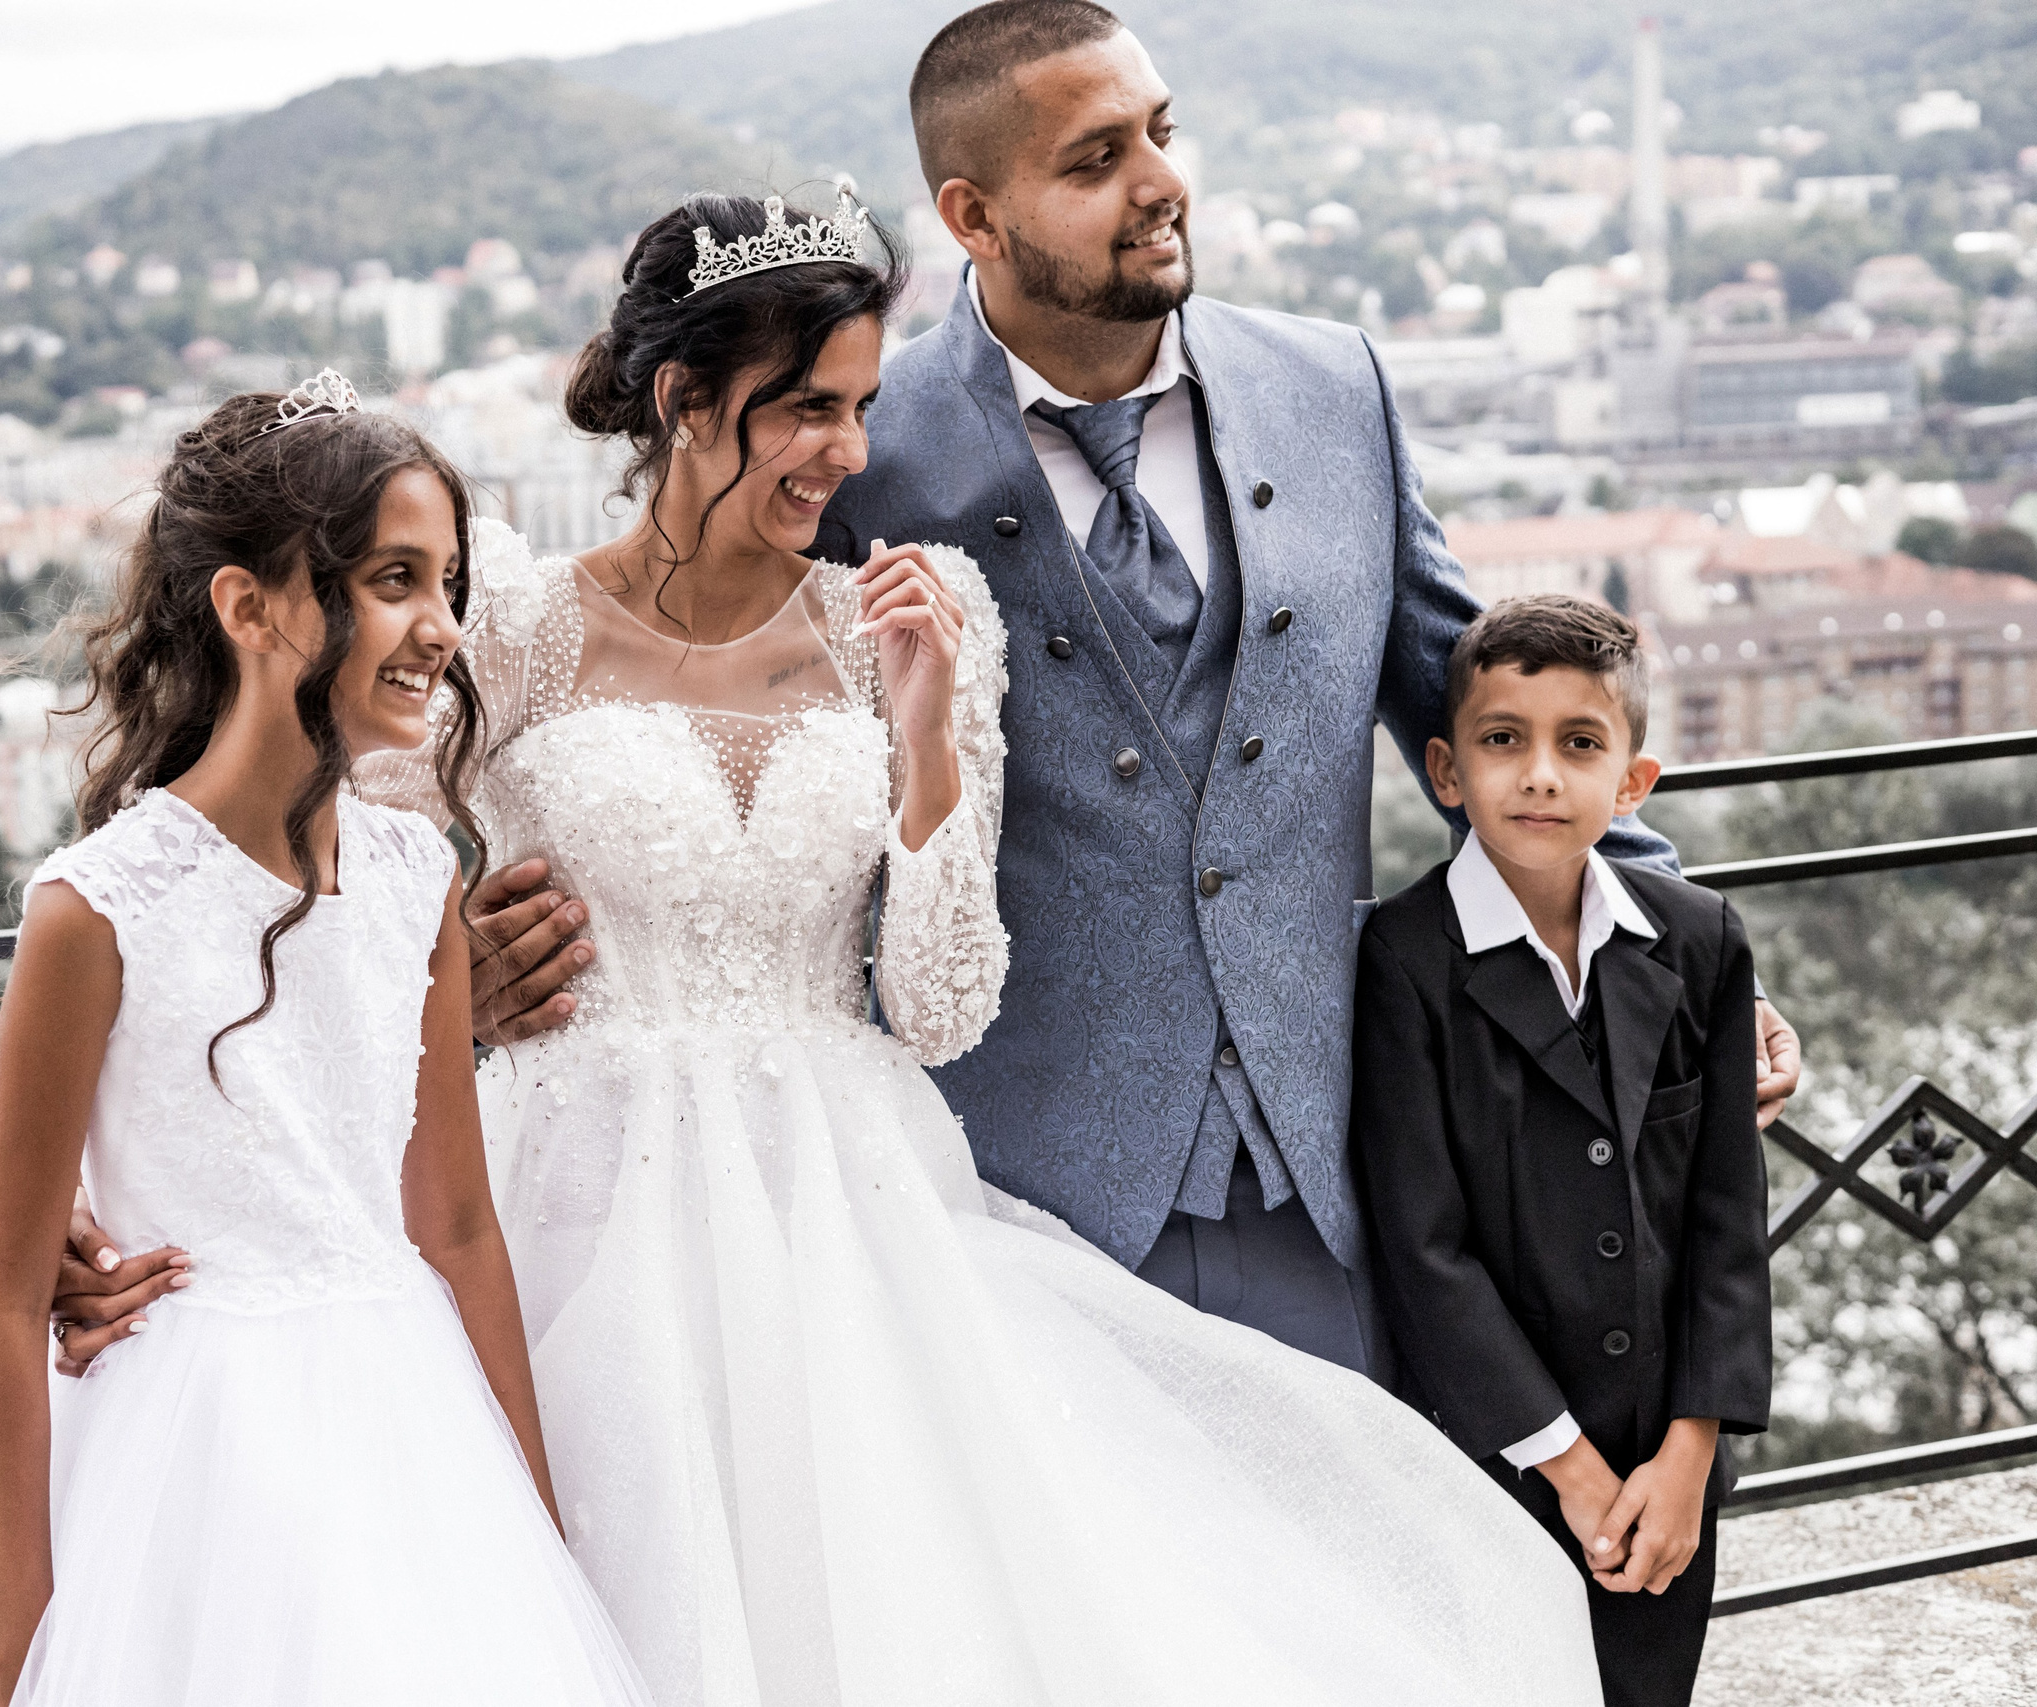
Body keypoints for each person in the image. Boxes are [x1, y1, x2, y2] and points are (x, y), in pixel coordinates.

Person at [371, 0, 1799, 1385]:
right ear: (973, 217)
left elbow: (1490, 716)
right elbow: (674, 713)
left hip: (1349, 1158)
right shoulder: (867, 454)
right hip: (1011, 1190)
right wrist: (466, 981)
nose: (1160, 183)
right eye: (1095, 159)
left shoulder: (1333, 388)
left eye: (1159, 133)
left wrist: (1669, 966)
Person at [317, 189, 1596, 1705]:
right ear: (681, 402)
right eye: (803, 410)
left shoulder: (907, 624)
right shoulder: (513, 625)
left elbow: (934, 1002)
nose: (848, 454)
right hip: (573, 1201)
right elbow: (342, 898)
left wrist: (927, 742)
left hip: (842, 1203)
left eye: (859, 406)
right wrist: (451, 971)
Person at [0, 379, 651, 1707]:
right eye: (394, 580)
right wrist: (29, 1655)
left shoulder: (419, 872)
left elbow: (459, 1225)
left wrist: (532, 1523)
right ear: (251, 608)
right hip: (176, 1449)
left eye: (449, 581)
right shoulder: (98, 910)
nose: (440, 626)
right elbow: (5, 1303)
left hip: (406, 1432)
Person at [1350, 596, 1773, 1707]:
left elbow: (1729, 1220)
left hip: (1663, 1468)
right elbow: (1423, 1248)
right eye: (1503, 740)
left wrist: (1688, 1456)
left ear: (1632, 784)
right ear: (1444, 771)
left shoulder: (1701, 943)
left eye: (1578, 744)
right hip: (1494, 1458)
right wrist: (1571, 1474)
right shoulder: (1399, 960)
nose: (1538, 774)